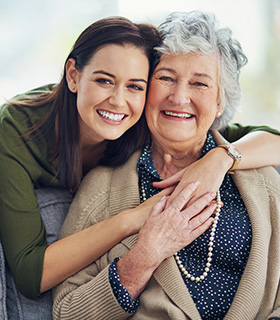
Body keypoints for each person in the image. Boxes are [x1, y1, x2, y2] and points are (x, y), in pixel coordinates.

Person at [52, 11, 280, 320]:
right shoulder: (103, 187)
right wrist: (143, 258)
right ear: (145, 89)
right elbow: (67, 312)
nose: (179, 96)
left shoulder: (262, 180)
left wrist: (221, 159)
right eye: (166, 78)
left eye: (199, 83)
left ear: (219, 103)